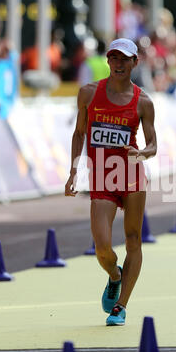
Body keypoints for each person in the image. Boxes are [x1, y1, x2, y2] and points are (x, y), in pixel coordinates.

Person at [65, 38, 157, 326]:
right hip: (102, 177)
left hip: (131, 175)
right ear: (107, 61)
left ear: (134, 63)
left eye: (124, 59)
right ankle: (115, 275)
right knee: (102, 246)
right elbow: (80, 133)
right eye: (114, 58)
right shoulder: (89, 93)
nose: (118, 64)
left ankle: (121, 306)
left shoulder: (143, 101)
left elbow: (153, 145)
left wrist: (141, 152)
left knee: (133, 240)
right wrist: (73, 171)